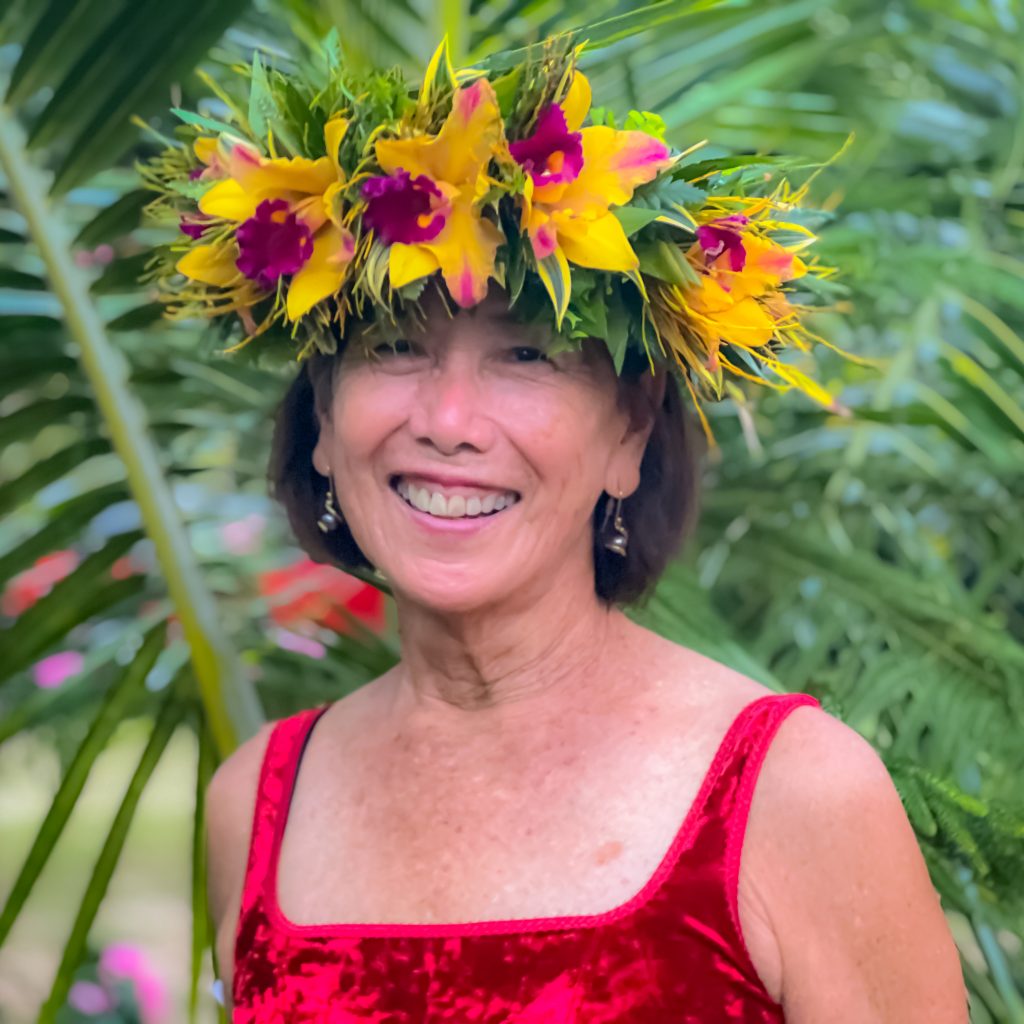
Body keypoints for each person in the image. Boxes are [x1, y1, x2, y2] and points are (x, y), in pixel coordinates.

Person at [146, 33, 969, 1022]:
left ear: (629, 430)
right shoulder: (257, 805)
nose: (447, 422)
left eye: (527, 356)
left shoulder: (795, 795)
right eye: (395, 345)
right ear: (321, 420)